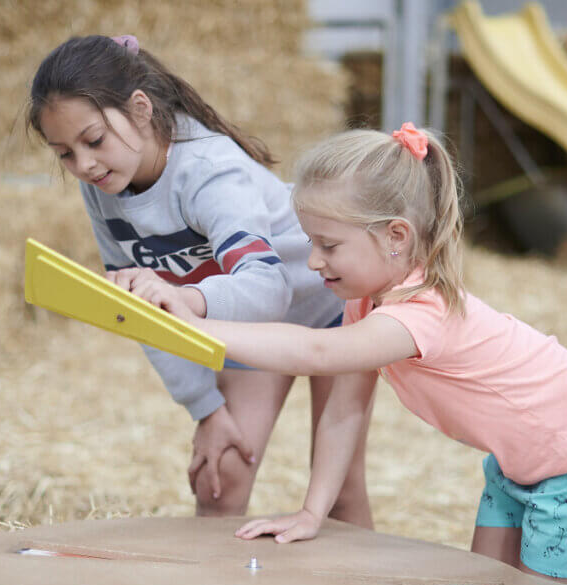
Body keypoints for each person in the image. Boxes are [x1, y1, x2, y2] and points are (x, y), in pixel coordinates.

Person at [139, 123, 567, 585]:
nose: (313, 261)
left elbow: (314, 350)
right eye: (310, 242)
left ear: (396, 236)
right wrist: (313, 512)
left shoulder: (420, 314)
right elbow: (343, 410)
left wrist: (197, 324)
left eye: (328, 245)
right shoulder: (365, 300)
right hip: (518, 460)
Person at [25, 34, 373, 528]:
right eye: (64, 154)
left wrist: (183, 297)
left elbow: (268, 289)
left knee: (338, 489)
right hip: (246, 322)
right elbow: (140, 314)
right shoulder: (103, 188)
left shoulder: (210, 172)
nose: (83, 165)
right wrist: (205, 408)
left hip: (326, 305)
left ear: (140, 109)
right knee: (221, 477)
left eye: (94, 140)